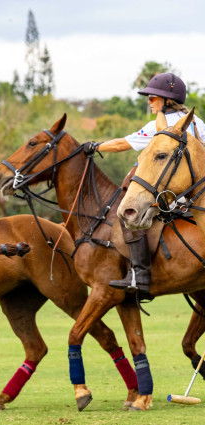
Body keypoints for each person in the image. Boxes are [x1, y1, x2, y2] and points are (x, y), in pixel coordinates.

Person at [83, 73, 205, 296]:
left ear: (167, 100)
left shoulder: (160, 126)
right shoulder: (197, 122)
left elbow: (122, 144)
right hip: (192, 195)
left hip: (167, 193)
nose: (149, 102)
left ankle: (139, 273)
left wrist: (95, 147)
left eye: (152, 98)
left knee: (127, 213)